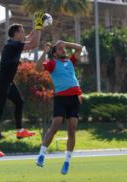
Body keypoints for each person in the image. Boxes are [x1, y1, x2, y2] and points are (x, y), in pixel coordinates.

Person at [0, 12, 48, 157]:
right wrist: (39, 25)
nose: (24, 33)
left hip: (7, 82)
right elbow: (34, 44)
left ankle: (20, 131)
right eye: (22, 31)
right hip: (1, 83)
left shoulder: (15, 43)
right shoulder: (14, 45)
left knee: (19, 102)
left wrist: (39, 25)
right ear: (15, 34)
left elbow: (30, 37)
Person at [35, 40, 83, 175]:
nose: (64, 50)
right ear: (54, 54)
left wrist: (64, 43)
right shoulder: (52, 63)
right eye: (60, 49)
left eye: (64, 49)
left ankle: (67, 162)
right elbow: (37, 69)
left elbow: (79, 48)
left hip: (74, 99)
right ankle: (41, 155)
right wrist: (45, 51)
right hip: (61, 98)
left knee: (72, 130)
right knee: (55, 125)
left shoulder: (71, 61)